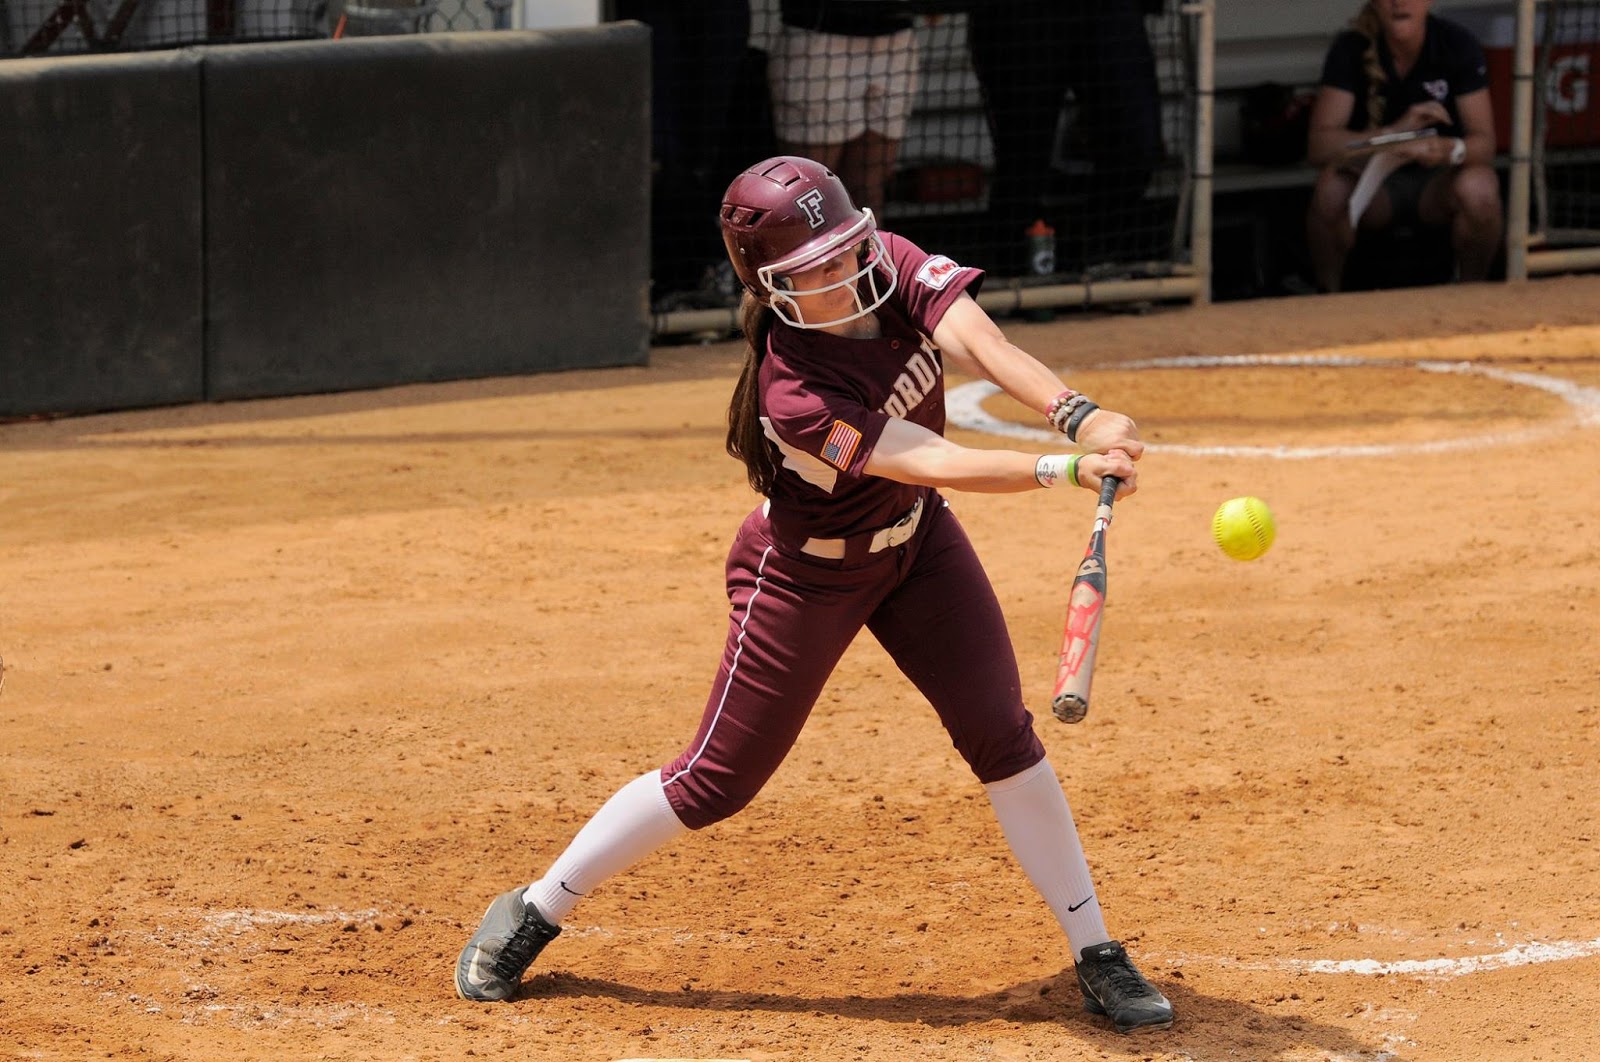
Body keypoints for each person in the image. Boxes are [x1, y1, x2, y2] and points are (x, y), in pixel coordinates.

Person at [454, 155, 1174, 1035]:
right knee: (717, 781)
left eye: (848, 249)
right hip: (804, 573)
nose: (847, 273)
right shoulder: (794, 392)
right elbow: (927, 457)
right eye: (817, 269)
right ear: (772, 288)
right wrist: (1063, 466)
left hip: (918, 546)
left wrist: (1078, 412)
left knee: (1001, 733)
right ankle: (536, 906)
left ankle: (1096, 948)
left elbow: (981, 342)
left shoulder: (894, 265)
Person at [1305, 0, 1503, 292]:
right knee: (1330, 188)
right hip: (1375, 189)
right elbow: (1319, 147)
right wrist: (1394, 133)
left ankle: (1471, 296)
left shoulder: (1456, 43)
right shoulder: (1351, 47)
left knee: (1480, 187)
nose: (1399, 2)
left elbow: (1485, 143)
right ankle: (1328, 300)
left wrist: (1447, 149)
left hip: (1437, 185)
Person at [967, 0, 1165, 272]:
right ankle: (1019, 277)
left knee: (1137, 143)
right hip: (1019, 17)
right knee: (1023, 159)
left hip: (1108, 14)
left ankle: (1104, 262)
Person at [766, 0, 918, 220]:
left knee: (870, 190)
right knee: (811, 195)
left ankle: (868, 254)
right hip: (820, 38)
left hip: (896, 36)